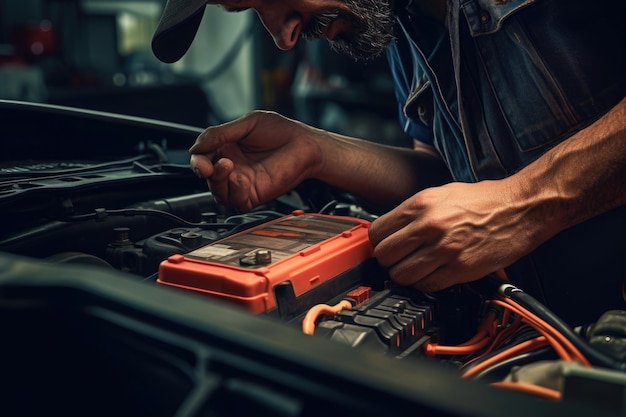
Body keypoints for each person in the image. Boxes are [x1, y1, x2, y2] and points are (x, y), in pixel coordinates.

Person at [152, 0, 626, 326]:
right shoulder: (404, 28)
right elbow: (450, 179)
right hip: (559, 341)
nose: (282, 36)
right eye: (248, 10)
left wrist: (524, 204)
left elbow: (500, 204)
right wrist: (316, 151)